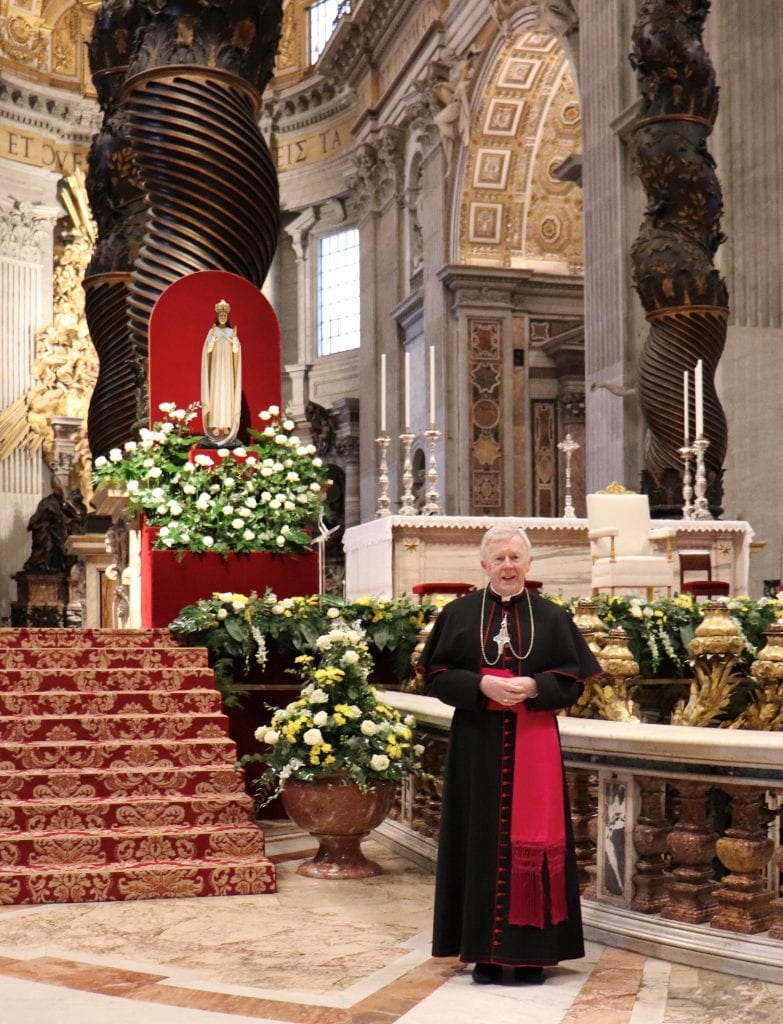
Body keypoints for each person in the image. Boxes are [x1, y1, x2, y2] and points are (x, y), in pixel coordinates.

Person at [417, 524, 600, 985]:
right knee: (476, 838)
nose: (508, 566)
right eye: (499, 558)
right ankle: (481, 951)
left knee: (535, 840)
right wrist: (481, 684)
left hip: (532, 741)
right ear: (483, 565)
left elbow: (574, 681)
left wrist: (536, 685)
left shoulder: (553, 617)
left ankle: (532, 952)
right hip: (476, 745)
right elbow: (436, 675)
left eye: (515, 558)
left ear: (529, 563)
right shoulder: (459, 614)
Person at [201, 298, 242, 445]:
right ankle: (216, 424)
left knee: (227, 396)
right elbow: (208, 351)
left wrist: (235, 340)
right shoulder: (212, 331)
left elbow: (236, 353)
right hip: (216, 370)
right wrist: (212, 338)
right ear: (217, 317)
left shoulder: (232, 332)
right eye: (221, 316)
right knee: (217, 396)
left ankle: (226, 426)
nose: (223, 317)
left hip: (228, 371)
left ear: (227, 317)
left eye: (225, 316)